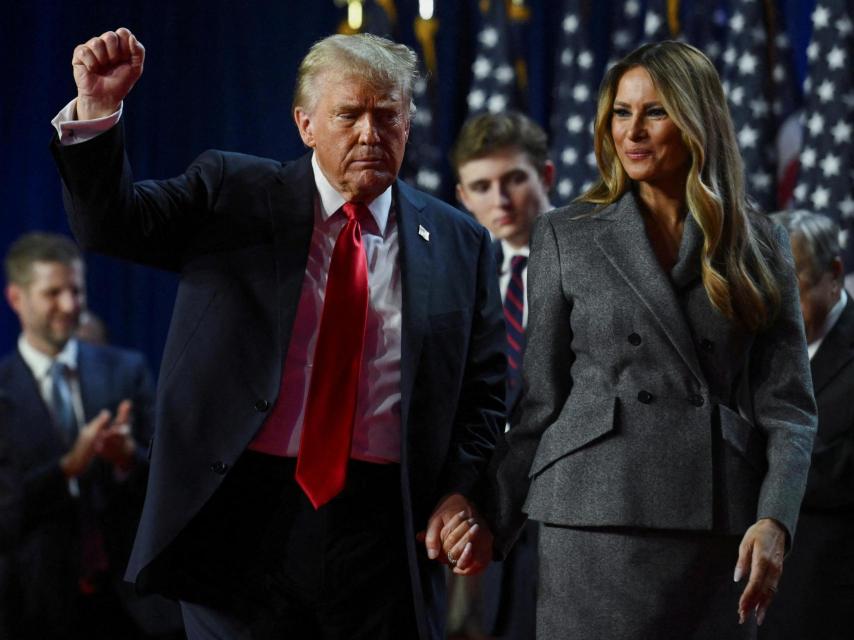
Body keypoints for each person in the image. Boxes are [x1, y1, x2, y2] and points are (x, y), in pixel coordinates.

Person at [50, 28, 505, 639]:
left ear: (408, 123)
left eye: (387, 115)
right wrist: (99, 112)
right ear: (305, 124)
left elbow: (482, 397)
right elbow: (112, 226)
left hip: (383, 531)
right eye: (349, 115)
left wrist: (460, 491)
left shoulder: (460, 242)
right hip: (239, 516)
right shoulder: (231, 192)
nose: (370, 133)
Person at [469, 41, 817, 639]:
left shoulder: (759, 241)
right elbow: (540, 402)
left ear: (695, 119)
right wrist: (488, 521)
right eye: (620, 113)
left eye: (654, 112)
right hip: (592, 512)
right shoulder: (564, 234)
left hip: (718, 515)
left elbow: (788, 410)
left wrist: (775, 518)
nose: (633, 131)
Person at [0, 233, 182, 639]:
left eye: (76, 290)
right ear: (17, 298)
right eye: (53, 293)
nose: (70, 306)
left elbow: (167, 479)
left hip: (132, 606)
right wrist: (68, 466)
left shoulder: (126, 369)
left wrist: (125, 456)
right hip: (34, 606)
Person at [447, 111, 554, 639]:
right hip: (488, 505)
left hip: (568, 510)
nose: (502, 200)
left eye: (515, 179)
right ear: (463, 196)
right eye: (483, 186)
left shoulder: (594, 263)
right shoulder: (460, 276)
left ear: (546, 177)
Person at [759, 210, 854, 640]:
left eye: (790, 280)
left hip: (825, 600)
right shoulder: (751, 345)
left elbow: (841, 472)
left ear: (833, 274)